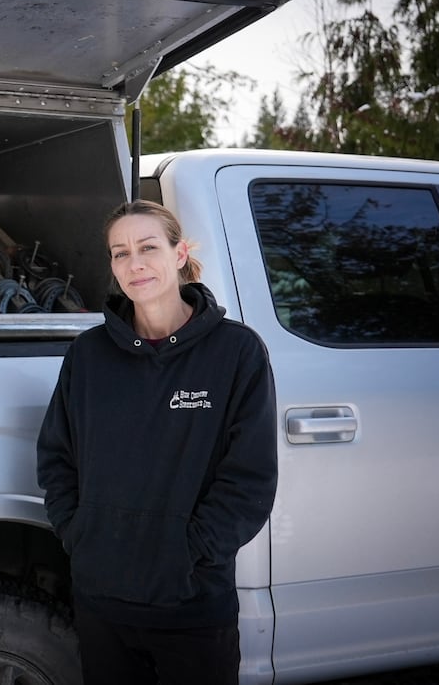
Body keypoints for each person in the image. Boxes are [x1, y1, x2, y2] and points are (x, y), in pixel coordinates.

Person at [36, 199, 278, 685]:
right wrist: (81, 536)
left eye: (148, 247)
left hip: (190, 607)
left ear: (180, 253)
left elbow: (248, 479)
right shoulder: (88, 355)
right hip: (101, 604)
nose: (135, 264)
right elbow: (58, 460)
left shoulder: (236, 352)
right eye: (120, 253)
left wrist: (187, 553)